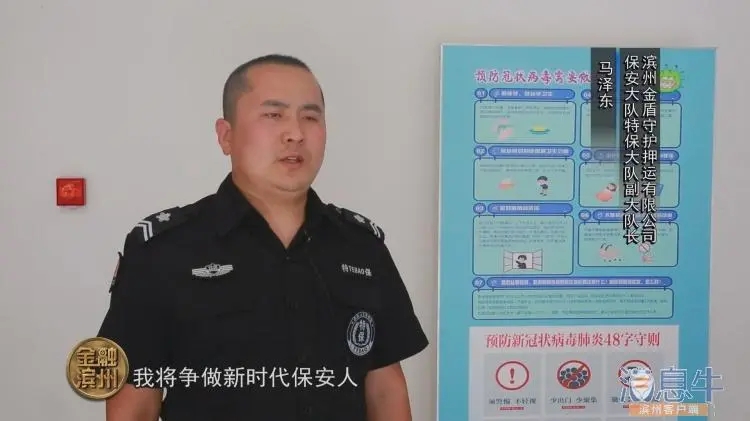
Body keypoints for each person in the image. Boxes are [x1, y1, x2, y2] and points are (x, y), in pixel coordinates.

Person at [97, 54, 428, 421]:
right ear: (226, 136)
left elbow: (385, 390)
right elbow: (135, 405)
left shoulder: (362, 248)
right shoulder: (164, 252)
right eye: (274, 115)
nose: (296, 133)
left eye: (310, 117)